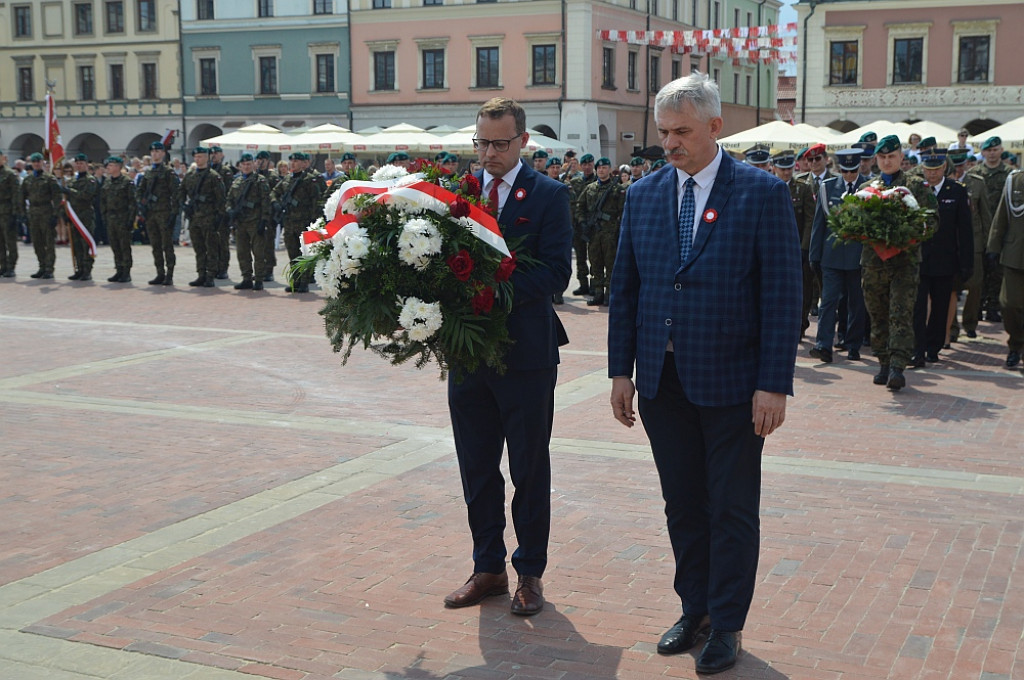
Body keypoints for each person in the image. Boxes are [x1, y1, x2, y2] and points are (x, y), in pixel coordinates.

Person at [608, 73, 802, 674]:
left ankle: (728, 623)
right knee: (682, 505)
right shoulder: (643, 195)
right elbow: (626, 290)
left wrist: (774, 382)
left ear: (716, 127)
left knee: (732, 509)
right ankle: (694, 609)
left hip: (734, 387)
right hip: (663, 385)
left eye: (682, 132)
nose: (669, 143)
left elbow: (782, 296)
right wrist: (620, 372)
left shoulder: (761, 194)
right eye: (663, 132)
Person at [444, 97, 572, 618]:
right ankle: (488, 567)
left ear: (523, 142)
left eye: (500, 143)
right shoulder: (457, 194)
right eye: (482, 143)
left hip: (526, 355)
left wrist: (491, 290)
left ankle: (530, 573)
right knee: (476, 466)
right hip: (468, 354)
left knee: (528, 468)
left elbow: (555, 275)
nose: (489, 153)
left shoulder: (548, 195)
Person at [859, 135, 937, 390]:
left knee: (900, 314)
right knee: (877, 314)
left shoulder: (916, 187)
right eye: (882, 157)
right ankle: (883, 362)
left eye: (891, 156)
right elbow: (856, 223)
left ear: (901, 158)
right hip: (873, 263)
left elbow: (933, 222)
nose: (886, 161)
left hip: (905, 262)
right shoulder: (869, 188)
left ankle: (897, 366)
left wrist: (910, 233)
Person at [910, 153, 972, 366]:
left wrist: (966, 263)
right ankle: (917, 349)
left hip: (945, 260)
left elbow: (964, 230)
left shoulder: (956, 191)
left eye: (936, 169)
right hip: (919, 259)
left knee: (940, 306)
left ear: (944, 167)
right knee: (917, 307)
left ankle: (933, 347)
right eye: (928, 169)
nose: (932, 173)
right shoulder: (916, 190)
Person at [809, 149, 868, 362]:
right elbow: (819, 224)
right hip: (831, 256)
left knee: (856, 303)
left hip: (858, 256)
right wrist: (814, 256)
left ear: (859, 166)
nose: (849, 176)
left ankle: (853, 344)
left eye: (853, 171)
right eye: (845, 171)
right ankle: (823, 345)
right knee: (828, 302)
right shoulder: (827, 188)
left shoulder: (869, 187)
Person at [772, 151, 817, 337]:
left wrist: (804, 247)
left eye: (789, 168)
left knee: (803, 288)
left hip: (798, 246)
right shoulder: (769, 186)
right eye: (782, 169)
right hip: (774, 249)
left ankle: (800, 324)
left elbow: (809, 219)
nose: (786, 172)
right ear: (775, 168)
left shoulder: (803, 188)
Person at [969, 136, 1012, 322]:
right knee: (979, 271)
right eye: (989, 150)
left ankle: (993, 306)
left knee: (997, 270)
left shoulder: (1010, 174)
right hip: (980, 229)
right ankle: (977, 306)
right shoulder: (975, 173)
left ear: (1001, 151)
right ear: (983, 152)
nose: (992, 153)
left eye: (995, 150)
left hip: (1002, 228)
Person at [986, 167, 1024, 368]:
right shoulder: (1015, 181)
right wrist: (993, 246)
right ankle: (1016, 342)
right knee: (1009, 304)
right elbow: (1001, 216)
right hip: (1015, 254)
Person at [272, 152, 324, 293]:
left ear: (303, 163)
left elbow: (317, 201)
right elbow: (274, 193)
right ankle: (295, 281)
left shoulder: (309, 180)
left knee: (304, 253)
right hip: (289, 223)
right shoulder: (287, 179)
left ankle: (304, 282)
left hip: (304, 223)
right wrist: (276, 203)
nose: (293, 164)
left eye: (296, 161)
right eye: (291, 161)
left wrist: (313, 223)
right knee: (292, 254)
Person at [578, 157, 626, 306]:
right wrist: (583, 222)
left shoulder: (617, 189)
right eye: (599, 168)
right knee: (595, 263)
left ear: (609, 169)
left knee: (611, 265)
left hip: (610, 233)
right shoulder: (590, 188)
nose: (601, 170)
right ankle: (598, 293)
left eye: (604, 167)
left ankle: (609, 295)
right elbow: (580, 206)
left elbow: (623, 212)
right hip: (594, 233)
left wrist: (617, 229)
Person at [181, 147, 226, 288]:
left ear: (207, 158)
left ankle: (210, 275)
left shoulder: (214, 176)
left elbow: (221, 198)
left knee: (211, 248)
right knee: (199, 248)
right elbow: (181, 192)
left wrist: (219, 217)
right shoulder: (190, 175)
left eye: (201, 156)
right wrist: (184, 206)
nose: (198, 159)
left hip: (209, 217)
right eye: (196, 157)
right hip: (194, 217)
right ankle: (201, 274)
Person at [137, 141, 181, 285]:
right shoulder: (148, 172)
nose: (155, 154)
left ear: (163, 153)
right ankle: (159, 273)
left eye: (158, 151)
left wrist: (174, 214)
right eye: (153, 152)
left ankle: (170, 273)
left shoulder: (168, 172)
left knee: (167, 245)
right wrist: (141, 204)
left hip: (164, 213)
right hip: (150, 213)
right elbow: (140, 191)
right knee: (155, 245)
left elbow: (176, 194)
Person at [225, 153, 271, 291]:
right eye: (244, 165)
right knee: (242, 252)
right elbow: (229, 200)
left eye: (249, 164)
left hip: (255, 221)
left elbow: (266, 202)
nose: (246, 167)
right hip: (240, 223)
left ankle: (258, 280)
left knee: (258, 253)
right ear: (240, 166)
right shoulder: (236, 182)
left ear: (253, 165)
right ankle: (246, 278)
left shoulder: (259, 181)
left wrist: (264, 220)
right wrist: (230, 211)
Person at [61, 153, 100, 281]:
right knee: (76, 243)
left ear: (87, 165)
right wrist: (65, 214)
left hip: (85, 215)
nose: (79, 166)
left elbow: (86, 196)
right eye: (77, 163)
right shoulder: (72, 180)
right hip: (74, 216)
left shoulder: (91, 180)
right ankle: (79, 269)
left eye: (82, 163)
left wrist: (69, 191)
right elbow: (67, 200)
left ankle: (87, 271)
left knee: (85, 243)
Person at [22, 152, 62, 279]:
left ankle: (49, 269)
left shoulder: (49, 178)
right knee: (37, 242)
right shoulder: (28, 180)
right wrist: (22, 214)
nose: (36, 164)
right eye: (34, 162)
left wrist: (55, 215)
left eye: (38, 162)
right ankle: (42, 266)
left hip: (46, 212)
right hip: (33, 213)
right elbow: (21, 197)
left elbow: (57, 198)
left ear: (43, 163)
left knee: (49, 242)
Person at [100, 156, 137, 283]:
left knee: (124, 246)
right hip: (111, 217)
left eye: (110, 165)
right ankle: (118, 270)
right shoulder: (107, 182)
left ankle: (126, 272)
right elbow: (103, 201)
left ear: (117, 167)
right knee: (115, 245)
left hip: (123, 217)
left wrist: (131, 220)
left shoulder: (127, 182)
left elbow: (133, 203)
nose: (108, 168)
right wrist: (104, 215)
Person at [566, 153, 598, 297]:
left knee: (595, 257)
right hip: (578, 225)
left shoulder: (599, 181)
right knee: (580, 257)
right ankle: (583, 284)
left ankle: (594, 285)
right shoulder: (575, 182)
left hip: (594, 226)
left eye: (589, 164)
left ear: (593, 165)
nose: (586, 167)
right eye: (584, 165)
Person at [0, 150, 22, 277]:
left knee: (10, 240)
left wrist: (15, 212)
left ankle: (11, 266)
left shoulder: (10, 174)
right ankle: (2, 265)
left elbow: (16, 194)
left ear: (3, 158)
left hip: (7, 211)